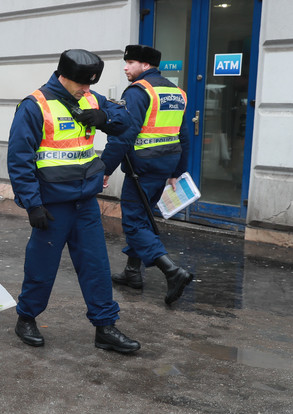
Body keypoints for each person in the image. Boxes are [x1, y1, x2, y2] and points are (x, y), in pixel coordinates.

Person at [7, 49, 141, 354]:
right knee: (41, 268)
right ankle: (26, 318)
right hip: (52, 207)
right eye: (82, 83)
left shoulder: (91, 100)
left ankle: (105, 327)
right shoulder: (35, 106)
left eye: (91, 83)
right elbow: (19, 159)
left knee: (96, 266)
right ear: (63, 75)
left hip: (85, 203)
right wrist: (32, 204)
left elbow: (127, 122)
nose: (87, 89)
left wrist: (104, 116)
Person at [100, 45, 194, 304]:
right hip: (165, 165)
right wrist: (178, 171)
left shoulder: (140, 91)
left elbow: (123, 135)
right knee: (143, 217)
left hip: (142, 168)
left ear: (145, 65)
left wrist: (104, 168)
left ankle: (172, 271)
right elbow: (184, 134)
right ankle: (133, 272)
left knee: (133, 223)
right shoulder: (176, 92)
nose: (125, 67)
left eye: (130, 62)